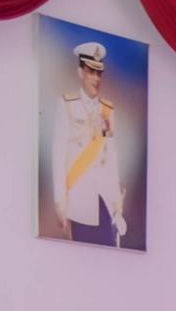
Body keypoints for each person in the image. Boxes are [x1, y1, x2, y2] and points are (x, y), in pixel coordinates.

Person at [51, 41, 126, 246]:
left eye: (99, 73)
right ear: (80, 72)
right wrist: (59, 200)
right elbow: (58, 155)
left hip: (105, 198)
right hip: (79, 199)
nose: (96, 78)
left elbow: (112, 156)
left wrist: (116, 200)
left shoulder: (108, 109)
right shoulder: (67, 105)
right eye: (90, 72)